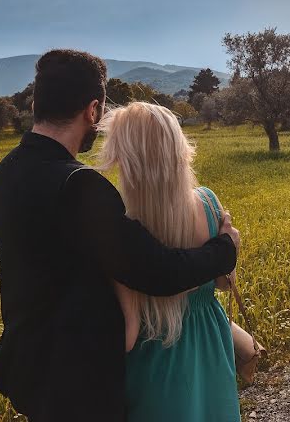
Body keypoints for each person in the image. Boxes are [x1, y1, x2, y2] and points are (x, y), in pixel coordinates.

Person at [0, 49, 240, 421]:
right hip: (82, 376)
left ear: (36, 103)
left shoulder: (3, 175)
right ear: (92, 110)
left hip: (31, 368)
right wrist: (225, 248)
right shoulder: (79, 185)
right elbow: (158, 271)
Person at [97, 101, 240, 422]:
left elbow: (129, 334)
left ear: (125, 159)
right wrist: (233, 246)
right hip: (211, 348)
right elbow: (223, 282)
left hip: (155, 363)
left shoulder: (121, 226)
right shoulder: (208, 202)